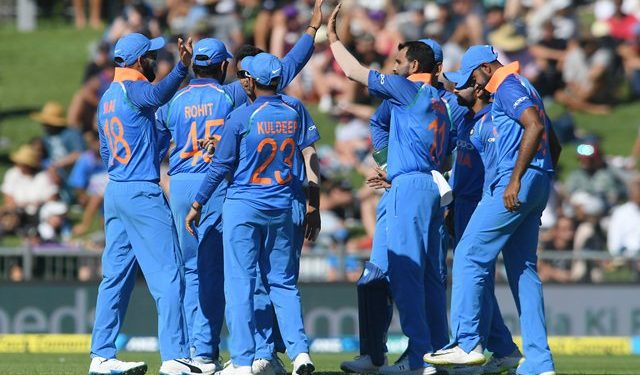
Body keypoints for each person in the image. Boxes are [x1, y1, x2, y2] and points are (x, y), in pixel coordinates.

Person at [157, 2, 324, 369]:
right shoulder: (231, 96)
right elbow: (284, 70)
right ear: (222, 67)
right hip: (218, 183)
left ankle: (197, 353)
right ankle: (256, 352)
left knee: (192, 270)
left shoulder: (172, 101)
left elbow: (155, 142)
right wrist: (311, 32)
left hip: (180, 183)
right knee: (237, 273)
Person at [328, 5, 450, 375]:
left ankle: (419, 358)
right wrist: (391, 162)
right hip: (424, 184)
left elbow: (351, 72)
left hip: (410, 188)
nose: (393, 66)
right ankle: (407, 354)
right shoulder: (440, 102)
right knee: (403, 273)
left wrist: (332, 37)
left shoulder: (404, 87)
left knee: (405, 273)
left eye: (399, 61)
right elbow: (389, 128)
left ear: (413, 66)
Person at [425, 45, 561, 375]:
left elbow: (534, 126)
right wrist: (537, 187)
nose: (477, 85)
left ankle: (467, 342)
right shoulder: (528, 87)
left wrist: (517, 181)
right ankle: (540, 362)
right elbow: (553, 143)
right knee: (523, 272)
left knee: (470, 252)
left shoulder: (508, 85)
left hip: (515, 181)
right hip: (536, 181)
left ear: (486, 68)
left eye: (474, 77)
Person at [185, 53, 320, 375]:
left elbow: (220, 166)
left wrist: (197, 203)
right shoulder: (295, 109)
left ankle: (244, 360)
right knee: (284, 283)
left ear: (252, 81)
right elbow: (311, 155)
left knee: (240, 284)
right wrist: (313, 201)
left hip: (244, 205)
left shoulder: (242, 116)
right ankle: (300, 353)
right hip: (283, 204)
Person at [89, 33, 215, 375]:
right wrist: (183, 67)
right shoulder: (135, 89)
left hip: (116, 191)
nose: (154, 59)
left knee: (114, 277)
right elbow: (159, 94)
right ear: (137, 61)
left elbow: (104, 151)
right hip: (142, 192)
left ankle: (100, 356)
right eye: (151, 55)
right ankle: (175, 357)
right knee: (170, 274)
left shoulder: (107, 98)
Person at [443, 70, 522, 374]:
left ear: (477, 90)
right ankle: (503, 349)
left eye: (460, 85)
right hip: (460, 205)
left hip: (479, 205)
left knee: (477, 279)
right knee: (478, 282)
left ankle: (473, 347)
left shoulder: (493, 120)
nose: (454, 89)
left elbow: (492, 171)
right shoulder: (464, 119)